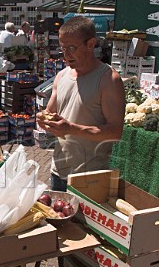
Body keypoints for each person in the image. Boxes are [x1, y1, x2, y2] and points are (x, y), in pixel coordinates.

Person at [36, 16, 125, 192]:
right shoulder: (61, 76)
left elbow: (115, 132)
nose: (66, 54)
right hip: (57, 172)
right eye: (62, 48)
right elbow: (50, 111)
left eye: (71, 48)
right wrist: (43, 118)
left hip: (90, 178)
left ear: (91, 44)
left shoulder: (108, 79)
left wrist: (71, 129)